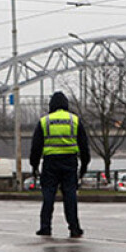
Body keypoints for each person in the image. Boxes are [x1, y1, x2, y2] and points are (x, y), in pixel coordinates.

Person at [30, 91, 90, 238]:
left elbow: (36, 147)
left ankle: (45, 227)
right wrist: (84, 166)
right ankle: (74, 228)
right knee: (70, 196)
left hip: (50, 162)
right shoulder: (74, 120)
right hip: (70, 162)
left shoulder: (45, 121)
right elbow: (84, 146)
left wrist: (34, 165)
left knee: (48, 196)